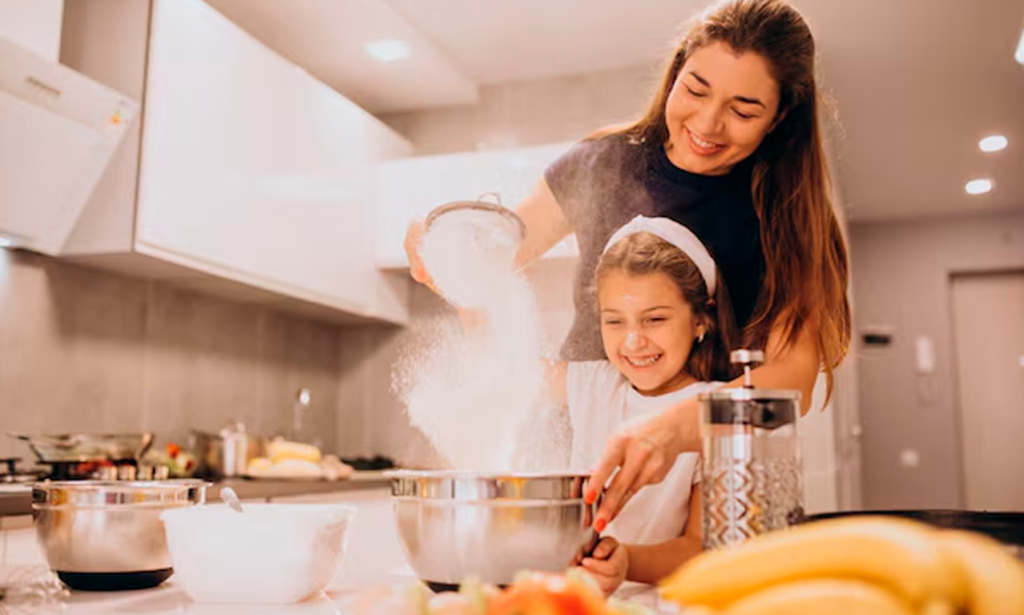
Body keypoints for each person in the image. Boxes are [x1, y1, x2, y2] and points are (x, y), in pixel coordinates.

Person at [405, 0, 850, 530]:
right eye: (696, 89)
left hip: (721, 477)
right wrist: (446, 246)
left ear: (779, 117)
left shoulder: (788, 213)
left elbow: (790, 379)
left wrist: (669, 428)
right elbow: (496, 255)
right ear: (676, 70)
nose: (707, 123)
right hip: (582, 460)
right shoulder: (600, 162)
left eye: (744, 109)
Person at [549, 216, 736, 595]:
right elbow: (502, 364)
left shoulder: (717, 411)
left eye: (654, 319)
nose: (633, 342)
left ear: (702, 320)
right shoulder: (596, 385)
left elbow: (702, 548)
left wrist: (626, 562)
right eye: (614, 321)